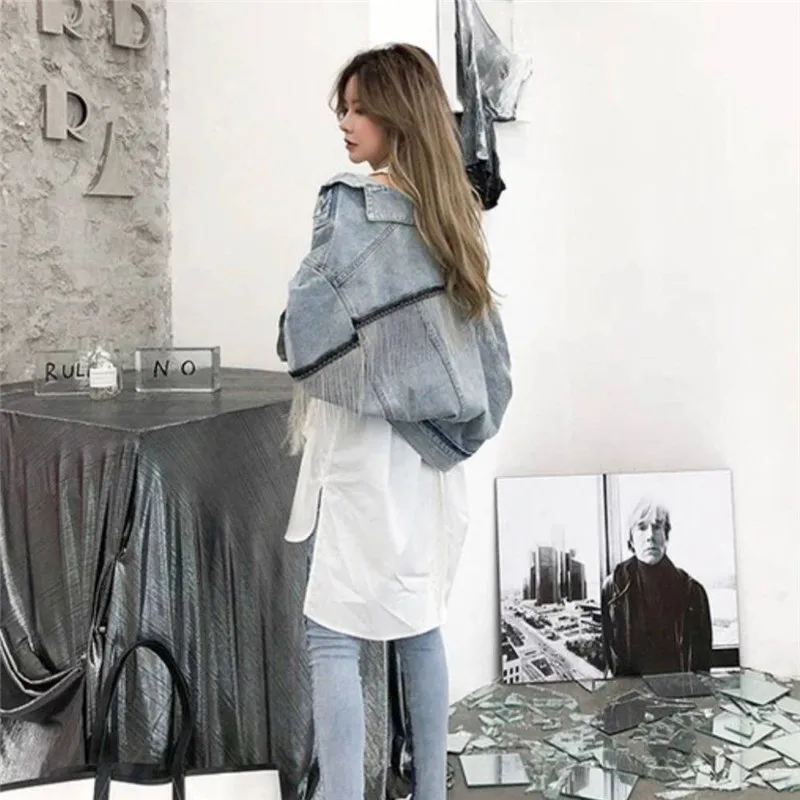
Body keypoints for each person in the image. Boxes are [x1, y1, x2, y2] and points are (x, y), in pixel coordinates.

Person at [276, 44, 512, 800]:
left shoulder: (353, 206)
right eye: (343, 109)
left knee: (332, 636)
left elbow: (303, 332)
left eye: (360, 109)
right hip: (427, 460)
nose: (346, 123)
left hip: (361, 451)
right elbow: (479, 355)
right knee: (417, 624)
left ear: (397, 114)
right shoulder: (450, 213)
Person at [601, 499, 713, 677]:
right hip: (631, 694)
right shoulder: (612, 589)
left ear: (666, 536)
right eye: (641, 527)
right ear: (631, 539)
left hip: (678, 693)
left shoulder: (692, 592)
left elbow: (701, 671)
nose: (650, 536)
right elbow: (611, 663)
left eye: (657, 526)